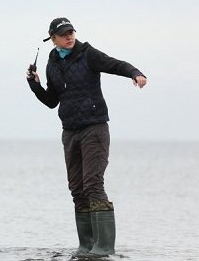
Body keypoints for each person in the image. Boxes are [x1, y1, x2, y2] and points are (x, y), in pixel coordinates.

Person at [26, 18, 147, 256]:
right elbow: (52, 101)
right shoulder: (52, 63)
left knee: (93, 184)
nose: (69, 36)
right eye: (64, 34)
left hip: (95, 128)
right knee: (77, 188)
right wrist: (35, 85)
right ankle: (86, 246)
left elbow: (115, 65)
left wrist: (135, 73)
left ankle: (104, 247)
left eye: (71, 32)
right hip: (70, 131)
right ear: (53, 38)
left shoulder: (87, 53)